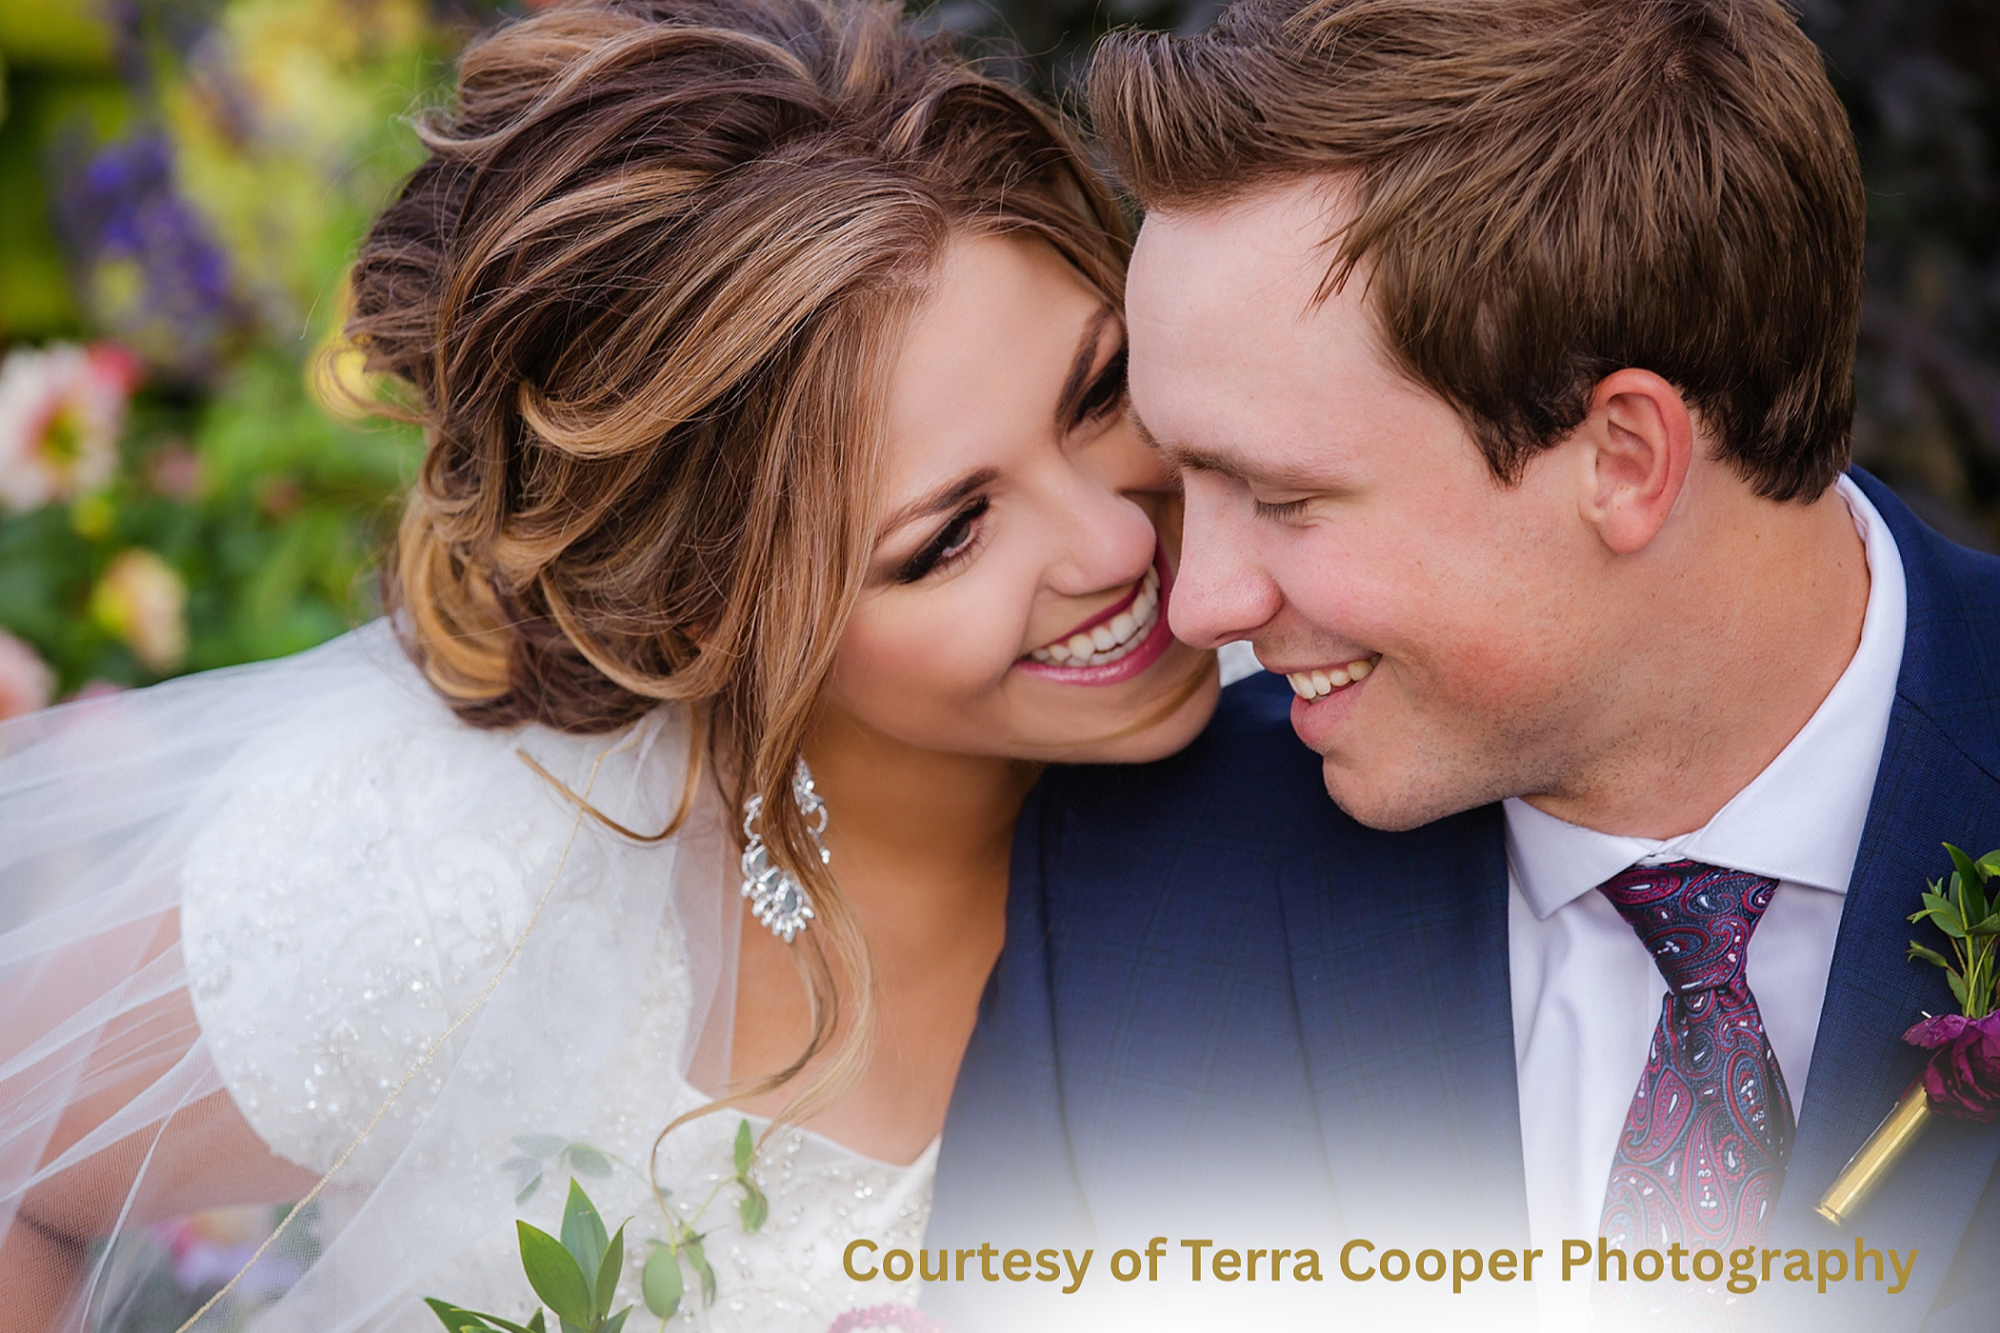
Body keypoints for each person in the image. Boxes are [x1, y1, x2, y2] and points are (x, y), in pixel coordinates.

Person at [0, 3, 1240, 1330]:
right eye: (947, 538)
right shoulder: (458, 881)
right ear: (707, 613)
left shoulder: (1327, 789)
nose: (1115, 538)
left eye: (1098, 390)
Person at [927, 2, 2000, 1331]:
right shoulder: (1129, 903)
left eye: (1282, 495)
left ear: (1624, 459)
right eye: (1182, 470)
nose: (1198, 603)